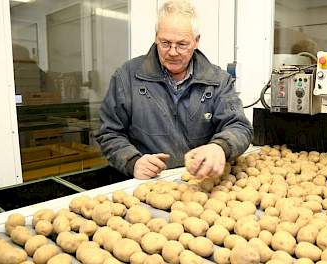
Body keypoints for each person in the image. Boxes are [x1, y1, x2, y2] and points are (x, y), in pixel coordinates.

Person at [96, 0, 253, 180]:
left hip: (199, 182)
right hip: (147, 185)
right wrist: (132, 161)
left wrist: (220, 147)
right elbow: (108, 132)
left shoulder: (218, 80)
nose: (172, 52)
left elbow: (240, 127)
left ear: (196, 41)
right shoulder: (127, 77)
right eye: (165, 43)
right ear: (156, 37)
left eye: (182, 44)